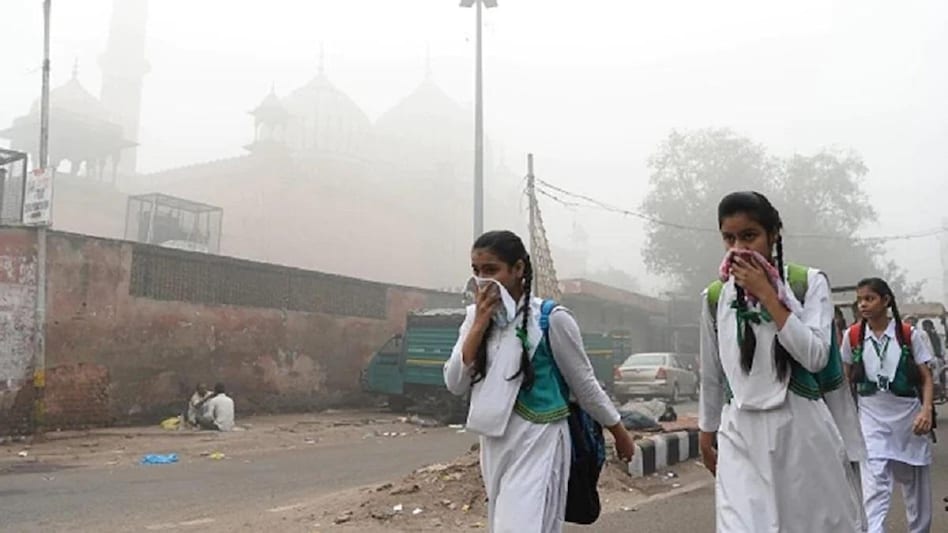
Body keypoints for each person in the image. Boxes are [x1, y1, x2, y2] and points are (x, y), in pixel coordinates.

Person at [443, 230, 636, 533]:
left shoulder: (551, 319)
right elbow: (455, 382)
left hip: (540, 437)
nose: (482, 280)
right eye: (476, 271)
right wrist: (479, 324)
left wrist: (619, 432)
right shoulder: (474, 318)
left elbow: (584, 385)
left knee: (521, 525)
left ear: (518, 269)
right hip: (494, 440)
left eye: (491, 270)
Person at [699, 191, 863, 532]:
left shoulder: (808, 283)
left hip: (800, 431)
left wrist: (770, 296)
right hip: (739, 432)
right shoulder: (715, 296)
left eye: (749, 236)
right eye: (729, 238)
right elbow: (713, 373)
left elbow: (816, 357)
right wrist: (706, 430)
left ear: (774, 234)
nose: (738, 248)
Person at [840, 278, 935, 533]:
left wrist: (926, 410)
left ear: (885, 300)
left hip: (909, 420)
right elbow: (844, 379)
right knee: (875, 485)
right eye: (860, 300)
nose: (863, 305)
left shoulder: (908, 335)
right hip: (871, 419)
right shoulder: (853, 336)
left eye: (869, 299)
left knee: (916, 489)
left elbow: (926, 377)